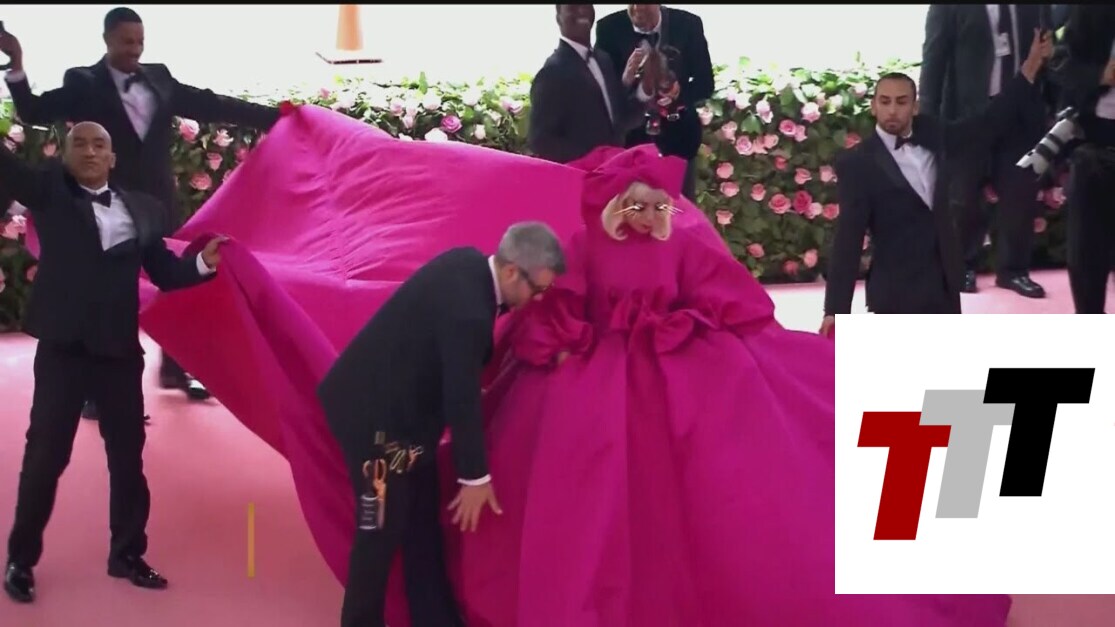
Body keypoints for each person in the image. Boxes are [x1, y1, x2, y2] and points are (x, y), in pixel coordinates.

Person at [0, 7, 282, 415]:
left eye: (140, 42)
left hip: (156, 205)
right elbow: (34, 112)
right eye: (127, 41)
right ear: (107, 40)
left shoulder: (160, 77)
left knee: (178, 283)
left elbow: (212, 105)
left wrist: (276, 117)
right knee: (102, 296)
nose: (135, 49)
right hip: (102, 206)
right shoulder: (82, 82)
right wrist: (17, 63)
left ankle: (176, 368)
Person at [1, 121, 226, 604]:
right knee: (45, 458)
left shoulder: (143, 209)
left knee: (127, 459)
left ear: (112, 157)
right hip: (63, 350)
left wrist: (203, 263)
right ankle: (21, 559)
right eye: (78, 144)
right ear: (65, 156)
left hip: (119, 353)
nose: (89, 151)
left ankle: (126, 554)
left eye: (98, 144)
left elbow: (166, 273)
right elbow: (7, 166)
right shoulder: (49, 193)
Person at [316, 221, 565, 627]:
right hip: (376, 428)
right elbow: (460, 396)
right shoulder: (470, 311)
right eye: (537, 289)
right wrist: (474, 477)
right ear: (510, 272)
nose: (537, 300)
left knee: (421, 523)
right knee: (379, 531)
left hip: (408, 430)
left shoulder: (468, 263)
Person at [821, 28, 1052, 333]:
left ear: (914, 106)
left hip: (944, 285)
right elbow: (848, 239)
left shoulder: (934, 134)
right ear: (873, 106)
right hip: (894, 294)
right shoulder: (857, 163)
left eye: (901, 101)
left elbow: (986, 124)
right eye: (885, 101)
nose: (892, 110)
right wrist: (835, 310)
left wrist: (1030, 69)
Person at [920, 4, 1055, 299]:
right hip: (969, 114)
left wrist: (1049, 56)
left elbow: (1048, 47)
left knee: (1020, 194)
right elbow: (934, 59)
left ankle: (1014, 271)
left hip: (1020, 112)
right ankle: (962, 266)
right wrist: (926, 119)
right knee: (963, 196)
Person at [594, 4, 714, 200]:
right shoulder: (609, 28)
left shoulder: (688, 24)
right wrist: (626, 79)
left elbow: (705, 83)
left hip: (679, 143)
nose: (637, 8)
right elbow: (601, 92)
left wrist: (679, 94)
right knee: (632, 210)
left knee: (680, 211)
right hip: (630, 144)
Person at [1048, 6, 1115, 313]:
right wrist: (1101, 74)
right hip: (1095, 144)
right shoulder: (1093, 10)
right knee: (1087, 257)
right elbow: (1061, 63)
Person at [528, 4, 653, 163]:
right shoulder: (552, 72)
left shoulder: (604, 60)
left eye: (586, 5)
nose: (581, 10)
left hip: (615, 168)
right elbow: (540, 141)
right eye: (572, 7)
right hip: (583, 173)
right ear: (558, 18)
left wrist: (645, 90)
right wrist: (591, 158)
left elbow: (621, 120)